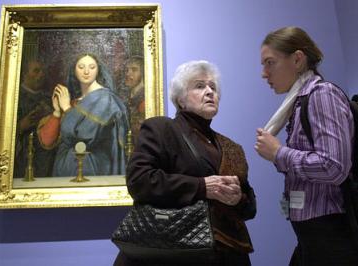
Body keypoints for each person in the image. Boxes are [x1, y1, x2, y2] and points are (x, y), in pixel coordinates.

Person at [114, 60, 256, 265]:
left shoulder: (232, 147)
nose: (210, 92)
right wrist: (201, 187)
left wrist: (238, 199)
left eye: (213, 87)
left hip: (227, 254)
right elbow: (139, 181)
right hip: (170, 254)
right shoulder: (161, 129)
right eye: (200, 86)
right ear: (180, 99)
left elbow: (250, 207)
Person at [255, 26, 358, 265]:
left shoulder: (322, 95)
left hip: (332, 234)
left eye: (270, 63)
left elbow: (334, 166)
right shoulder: (299, 103)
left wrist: (279, 153)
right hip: (312, 235)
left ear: (298, 59)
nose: (264, 73)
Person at [38, 53, 129, 177]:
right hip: (66, 169)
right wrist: (57, 112)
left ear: (98, 70)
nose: (86, 71)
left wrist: (67, 108)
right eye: (81, 67)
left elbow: (85, 136)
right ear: (74, 70)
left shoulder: (105, 99)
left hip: (92, 168)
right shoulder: (76, 101)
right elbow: (47, 141)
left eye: (92, 67)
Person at [14, 59, 55, 178]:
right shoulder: (15, 97)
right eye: (36, 71)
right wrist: (20, 126)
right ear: (24, 74)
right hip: (22, 159)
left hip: (46, 159)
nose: (41, 75)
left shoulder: (49, 99)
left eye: (42, 71)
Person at [122, 56, 145, 143]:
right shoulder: (129, 97)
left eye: (134, 70)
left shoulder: (144, 101)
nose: (128, 74)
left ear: (143, 73)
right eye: (127, 70)